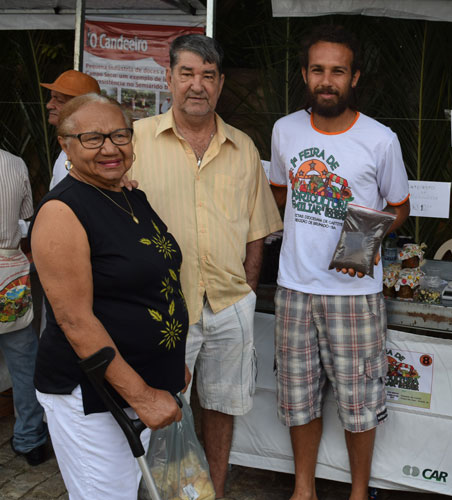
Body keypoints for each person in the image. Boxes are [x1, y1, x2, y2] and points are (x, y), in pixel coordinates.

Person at [130, 34, 283, 498]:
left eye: (208, 76)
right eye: (188, 73)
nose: (198, 85)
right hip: (158, 310)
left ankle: (211, 490)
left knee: (220, 409)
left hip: (229, 304)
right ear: (169, 78)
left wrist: (248, 290)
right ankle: (158, 494)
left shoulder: (244, 148)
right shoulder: (135, 140)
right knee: (155, 408)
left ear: (220, 84)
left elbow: (257, 232)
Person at [269, 25, 410, 500]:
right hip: (294, 288)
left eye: (337, 71)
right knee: (297, 397)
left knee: (360, 401)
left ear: (354, 77)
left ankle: (357, 492)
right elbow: (280, 193)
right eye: (317, 70)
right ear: (305, 75)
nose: (326, 80)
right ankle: (303, 489)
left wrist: (361, 243)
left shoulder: (380, 139)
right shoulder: (284, 130)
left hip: (354, 295)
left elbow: (399, 205)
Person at [30, 94, 188, 499]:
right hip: (93, 395)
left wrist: (171, 363)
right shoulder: (61, 212)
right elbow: (75, 321)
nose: (111, 148)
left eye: (120, 135)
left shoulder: (130, 195)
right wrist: (144, 396)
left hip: (139, 383)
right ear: (66, 146)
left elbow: (153, 282)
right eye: (93, 138)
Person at [0, 148, 49, 466]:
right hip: (8, 272)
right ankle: (30, 439)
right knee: (22, 358)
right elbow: (26, 214)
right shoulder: (14, 162)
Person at [40, 70, 101, 190]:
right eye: (52, 98)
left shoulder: (95, 150)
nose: (49, 105)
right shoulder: (69, 145)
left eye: (59, 100)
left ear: (82, 107)